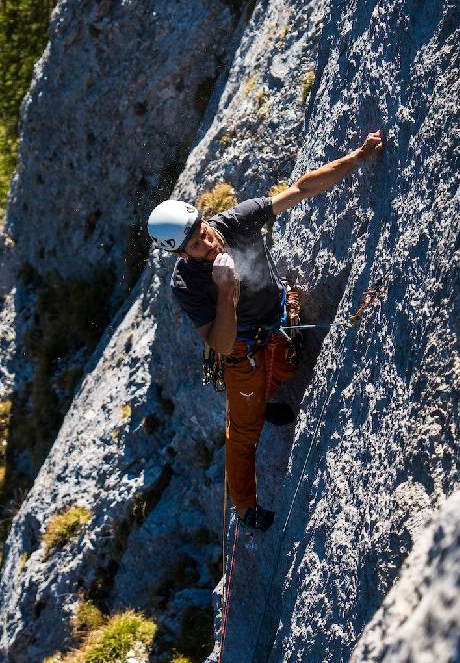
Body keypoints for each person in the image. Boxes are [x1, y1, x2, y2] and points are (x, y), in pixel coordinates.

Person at [147, 131, 384, 531]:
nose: (206, 241)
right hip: (243, 349)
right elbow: (220, 343)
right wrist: (226, 292)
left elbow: (300, 189)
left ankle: (267, 394)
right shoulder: (187, 284)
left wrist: (357, 157)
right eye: (194, 245)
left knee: (286, 369)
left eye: (201, 230)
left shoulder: (235, 222)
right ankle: (246, 508)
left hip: (278, 320)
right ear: (180, 254)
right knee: (244, 431)